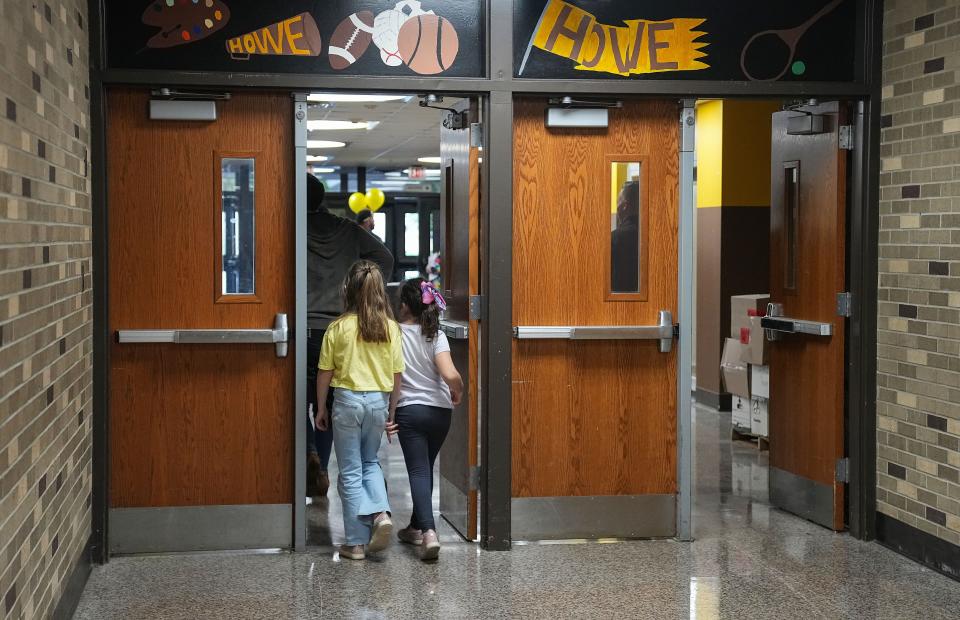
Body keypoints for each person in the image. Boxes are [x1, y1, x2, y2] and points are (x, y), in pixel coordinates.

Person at [307, 175, 393, 500]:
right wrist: (360, 288)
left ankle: (308, 455)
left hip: (302, 328)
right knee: (326, 404)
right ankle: (322, 469)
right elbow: (384, 259)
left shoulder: (292, 227)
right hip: (339, 327)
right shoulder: (346, 228)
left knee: (296, 403)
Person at [315, 260, 404, 560]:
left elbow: (324, 372)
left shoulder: (337, 328)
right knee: (370, 463)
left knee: (350, 471)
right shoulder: (390, 328)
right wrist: (392, 413)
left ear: (348, 290)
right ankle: (380, 513)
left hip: (347, 402)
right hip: (378, 403)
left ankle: (354, 543)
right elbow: (396, 375)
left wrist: (320, 410)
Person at [392, 278, 463, 561]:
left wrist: (390, 410)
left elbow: (392, 377)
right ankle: (414, 526)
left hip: (410, 411)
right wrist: (457, 391)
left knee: (419, 471)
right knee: (425, 467)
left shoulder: (394, 333)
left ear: (407, 305)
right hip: (439, 412)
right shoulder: (436, 334)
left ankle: (429, 533)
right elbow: (450, 375)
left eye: (400, 302)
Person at [610, 181, 640, 293]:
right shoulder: (653, 238)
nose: (616, 207)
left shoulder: (614, 238)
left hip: (619, 304)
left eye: (618, 201)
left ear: (624, 206)